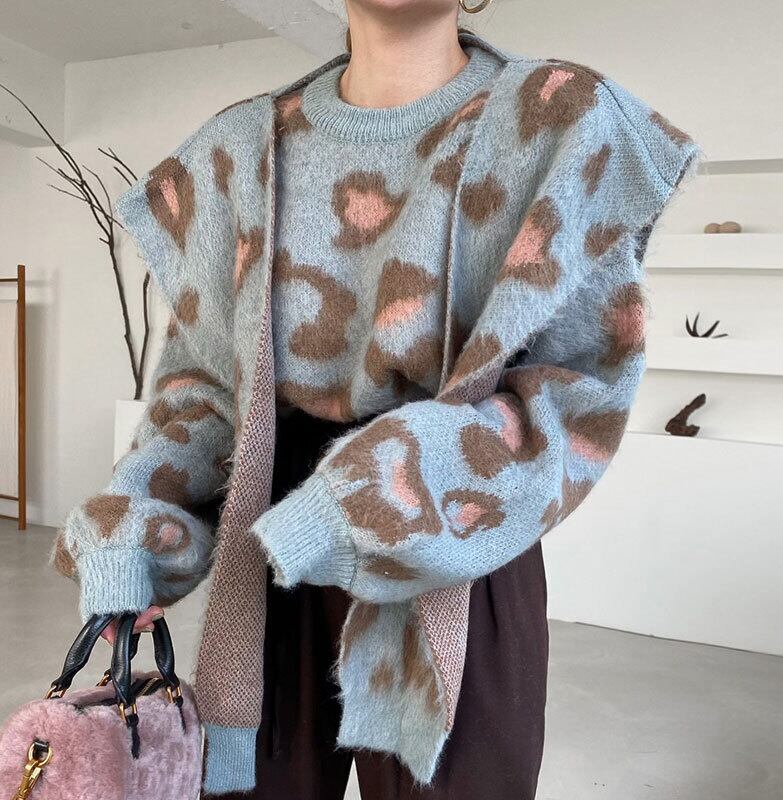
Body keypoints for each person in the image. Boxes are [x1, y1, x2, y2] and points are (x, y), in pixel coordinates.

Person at [52, 0, 702, 797]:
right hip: (273, 552)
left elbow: (573, 395)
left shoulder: (564, 122)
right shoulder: (236, 152)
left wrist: (380, 496)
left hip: (462, 549)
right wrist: (136, 540)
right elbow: (204, 390)